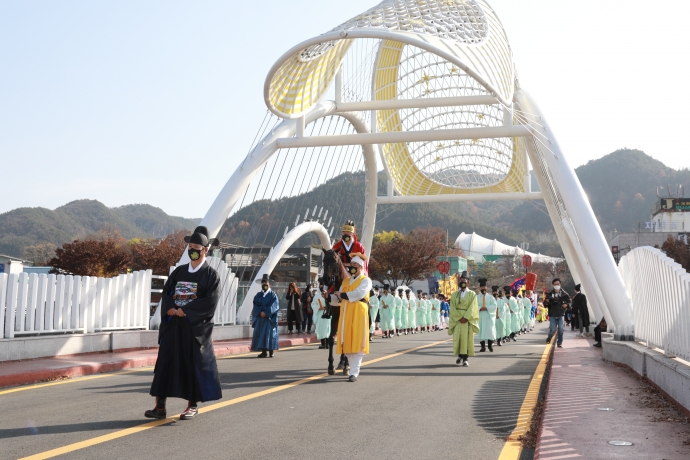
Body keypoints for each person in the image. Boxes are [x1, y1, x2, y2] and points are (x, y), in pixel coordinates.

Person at [147, 226, 222, 420]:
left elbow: (210, 302)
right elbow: (167, 293)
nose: (192, 250)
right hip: (173, 325)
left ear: (205, 250)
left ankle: (192, 405)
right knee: (165, 363)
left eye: (197, 247)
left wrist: (185, 310)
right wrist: (171, 307)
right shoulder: (179, 272)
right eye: (190, 246)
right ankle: (160, 406)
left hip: (193, 328)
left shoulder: (211, 275)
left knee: (192, 365)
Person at [335, 253, 372, 382]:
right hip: (346, 311)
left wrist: (343, 295)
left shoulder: (366, 280)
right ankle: (350, 367)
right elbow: (339, 296)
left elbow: (359, 293)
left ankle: (354, 372)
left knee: (357, 339)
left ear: (361, 267)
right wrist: (329, 297)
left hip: (358, 312)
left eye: (355, 265)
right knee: (347, 340)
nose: (352, 267)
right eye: (351, 265)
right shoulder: (345, 281)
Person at [449, 271, 479, 367]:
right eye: (461, 280)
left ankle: (465, 358)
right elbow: (452, 307)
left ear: (468, 282)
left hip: (467, 320)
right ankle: (459, 355)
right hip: (458, 320)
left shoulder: (472, 294)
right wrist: (458, 317)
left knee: (466, 339)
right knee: (458, 338)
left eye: (464, 280)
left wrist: (466, 317)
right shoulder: (454, 294)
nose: (463, 282)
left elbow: (473, 307)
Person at [251, 274, 280, 358]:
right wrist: (260, 312)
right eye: (263, 283)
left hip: (269, 318)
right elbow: (255, 304)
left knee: (270, 334)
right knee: (260, 333)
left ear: (269, 284)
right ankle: (263, 351)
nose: (264, 284)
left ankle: (271, 351)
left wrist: (266, 313)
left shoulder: (273, 295)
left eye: (266, 283)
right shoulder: (258, 295)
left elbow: (275, 305)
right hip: (260, 317)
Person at [544, 278, 571, 348]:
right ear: (553, 285)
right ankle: (549, 337)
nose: (557, 285)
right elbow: (545, 304)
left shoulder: (564, 294)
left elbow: (570, 302)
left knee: (561, 329)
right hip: (552, 314)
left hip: (561, 314)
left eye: (558, 284)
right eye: (555, 284)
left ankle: (559, 342)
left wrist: (567, 305)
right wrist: (547, 302)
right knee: (553, 329)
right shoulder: (550, 294)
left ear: (560, 284)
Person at [476, 279, 497, 352]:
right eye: (482, 287)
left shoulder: (491, 297)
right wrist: (480, 308)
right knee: (481, 331)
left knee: (489, 331)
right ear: (480, 288)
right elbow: (474, 306)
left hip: (489, 316)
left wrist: (487, 308)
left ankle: (490, 345)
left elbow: (494, 305)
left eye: (484, 287)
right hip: (481, 316)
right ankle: (482, 347)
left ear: (486, 288)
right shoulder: (477, 297)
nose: (483, 289)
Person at [312, 280, 330, 348]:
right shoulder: (317, 296)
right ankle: (323, 344)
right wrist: (319, 308)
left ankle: (327, 343)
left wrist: (326, 307)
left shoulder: (329, 295)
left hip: (327, 314)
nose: (321, 287)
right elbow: (313, 304)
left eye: (323, 285)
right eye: (321, 285)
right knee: (320, 328)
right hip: (319, 314)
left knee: (327, 328)